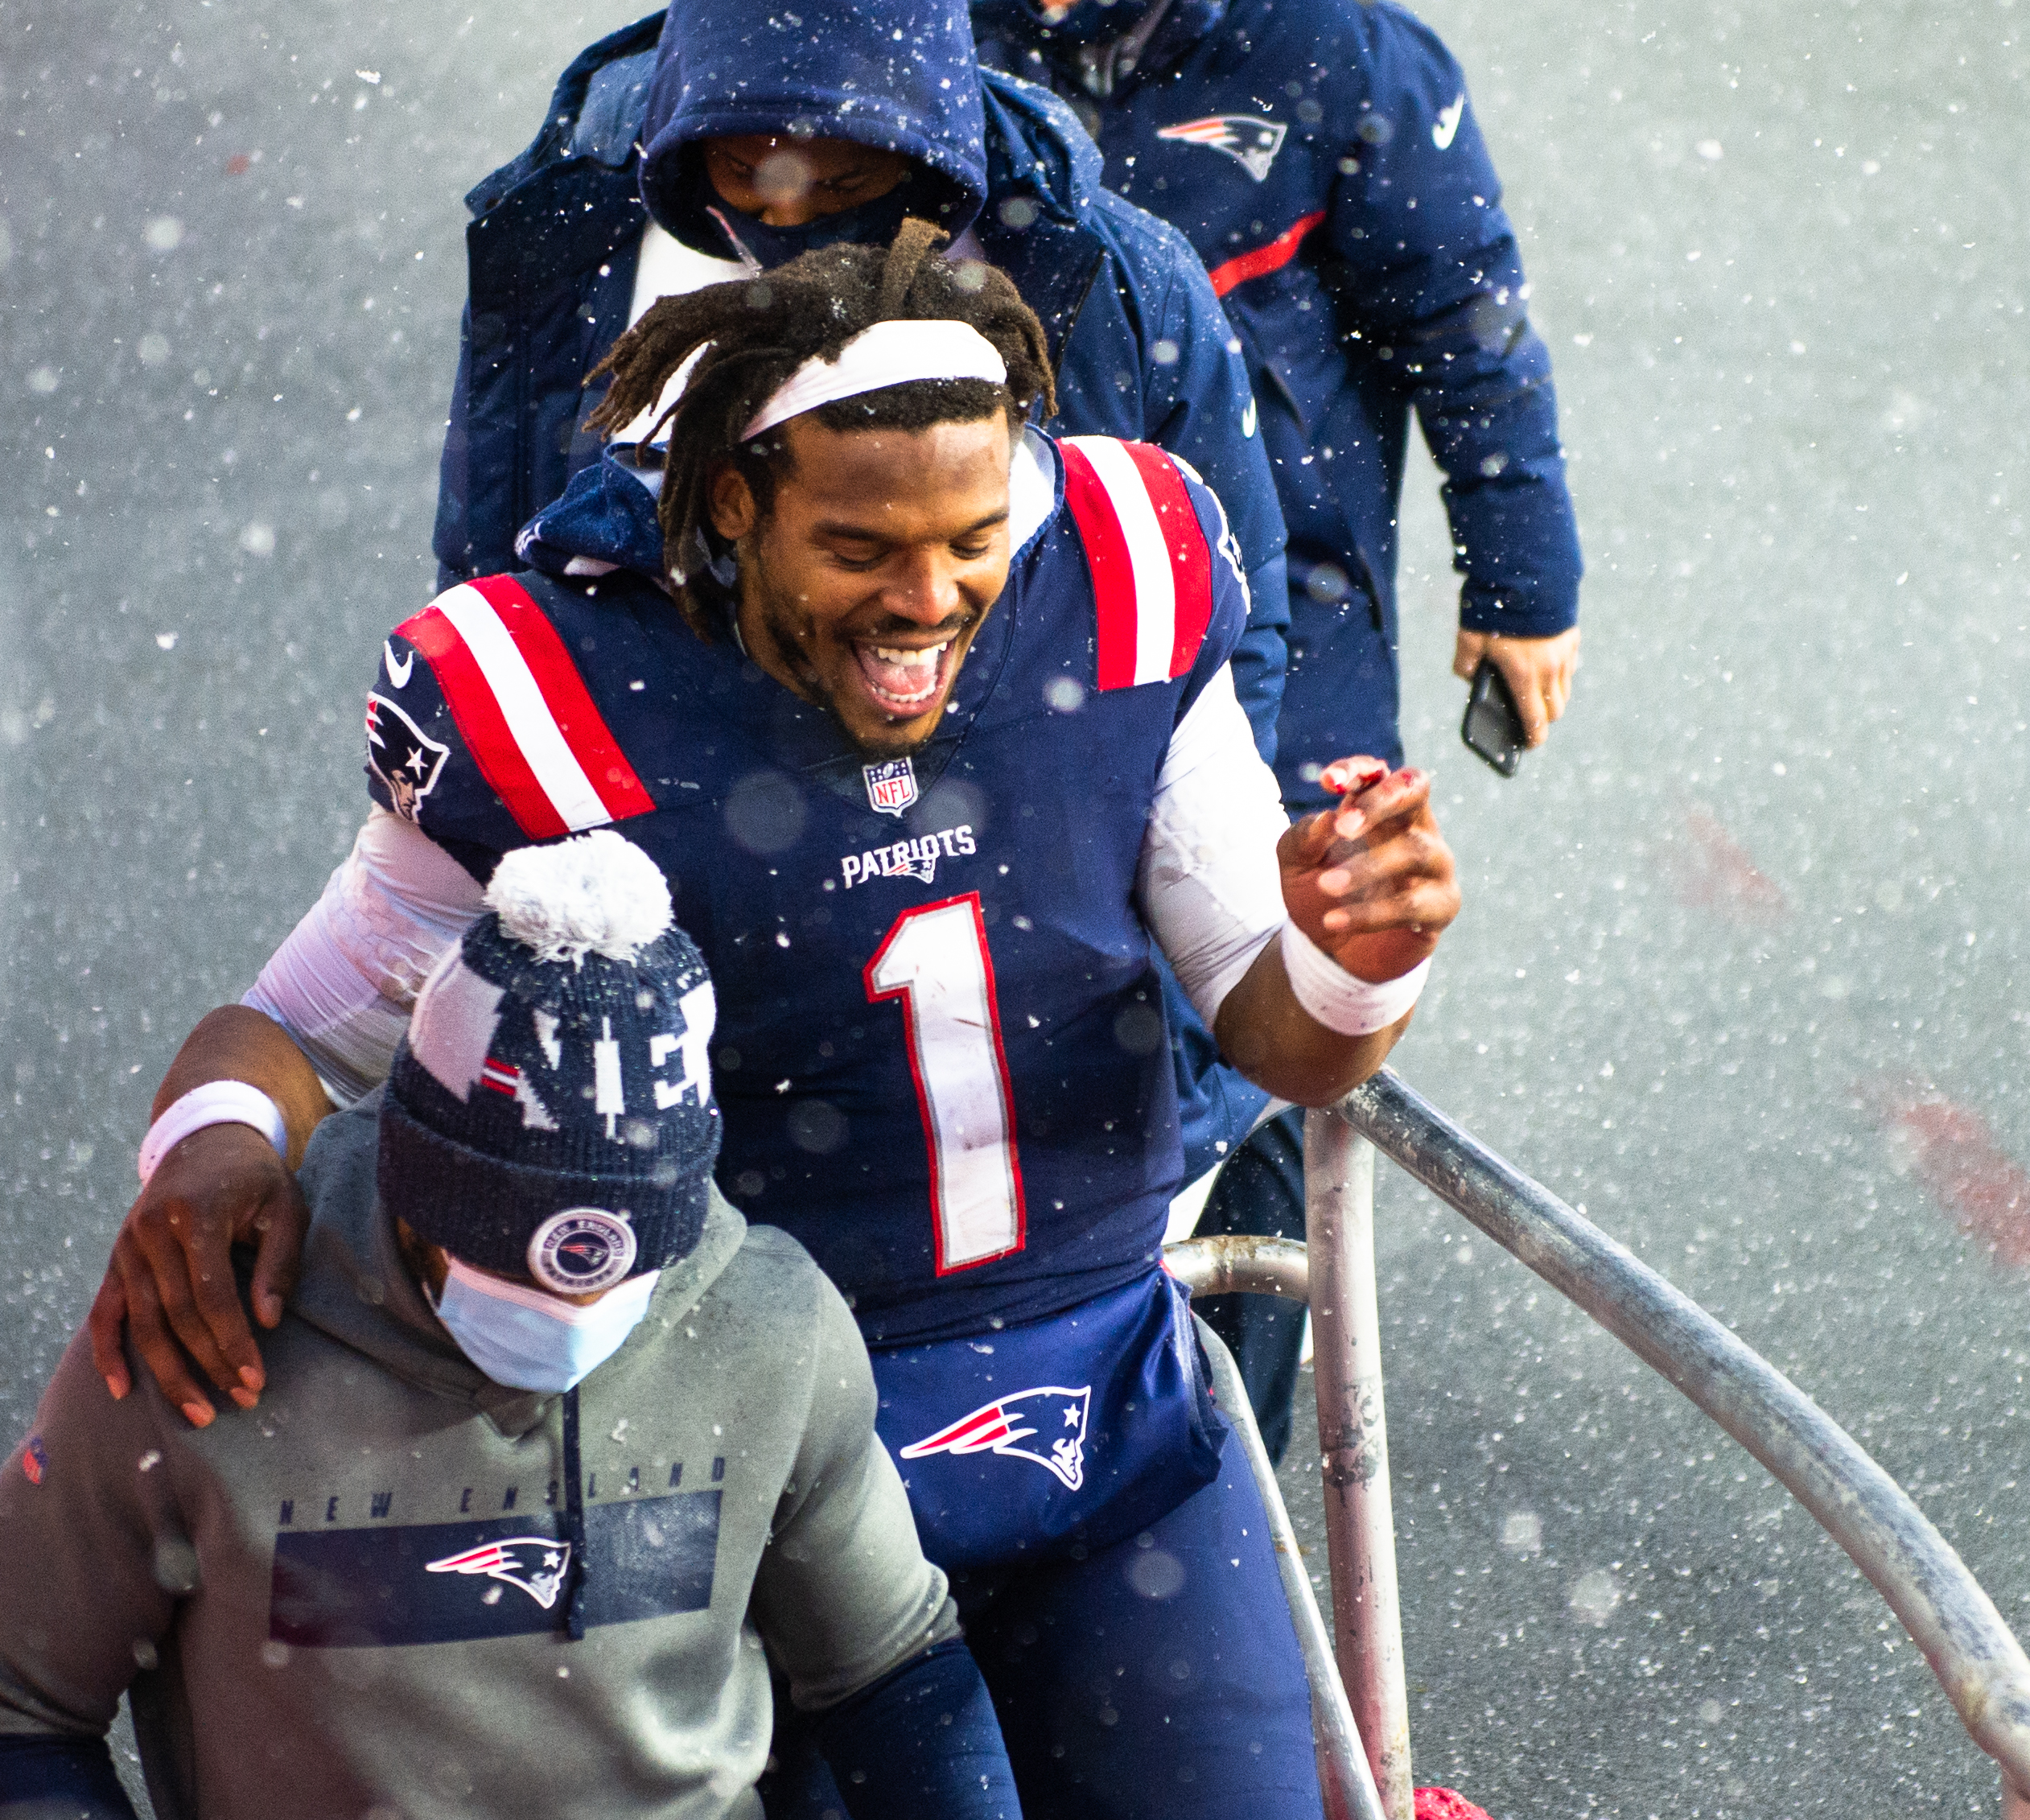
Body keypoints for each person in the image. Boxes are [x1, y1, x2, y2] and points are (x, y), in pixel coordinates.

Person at [90, 226, 1458, 1820]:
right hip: (747, 1466)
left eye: (971, 534)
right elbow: (290, 1033)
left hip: (1105, 1416)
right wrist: (208, 1164)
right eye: (863, 547)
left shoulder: (1126, 567)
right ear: (734, 506)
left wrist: (1361, 955)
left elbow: (1276, 1033)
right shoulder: (556, 687)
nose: (928, 596)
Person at [443, 0, 1301, 1224]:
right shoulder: (572, 239)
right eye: (745, 172)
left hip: (1045, 1053)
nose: (787, 210)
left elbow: (1226, 635)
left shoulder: (1098, 276)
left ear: (935, 146)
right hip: (693, 1021)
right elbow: (492, 600)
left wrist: (1161, 970)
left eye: (841, 174)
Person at [0, 834, 1019, 1820]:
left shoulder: (771, 1328)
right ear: (406, 1174)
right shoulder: (203, 1325)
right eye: (502, 1266)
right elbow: (22, 1711)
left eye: (608, 1282)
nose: (565, 1324)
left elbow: (893, 1671)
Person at [970, 0, 1587, 1455]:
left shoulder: (1334, 50)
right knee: (1050, 988)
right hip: (1002, 647)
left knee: (1252, 1018)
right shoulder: (916, 41)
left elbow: (1466, 319)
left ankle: (1214, 1447)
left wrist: (1524, 577)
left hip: (1285, 642)